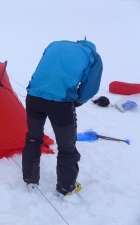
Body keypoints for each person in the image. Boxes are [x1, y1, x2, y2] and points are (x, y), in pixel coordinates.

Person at [22, 39, 103, 196]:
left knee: (33, 138)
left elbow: (43, 68)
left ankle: (30, 180)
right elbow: (90, 87)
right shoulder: (93, 55)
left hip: (34, 97)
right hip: (60, 103)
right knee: (67, 147)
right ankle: (66, 187)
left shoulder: (54, 44)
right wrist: (77, 102)